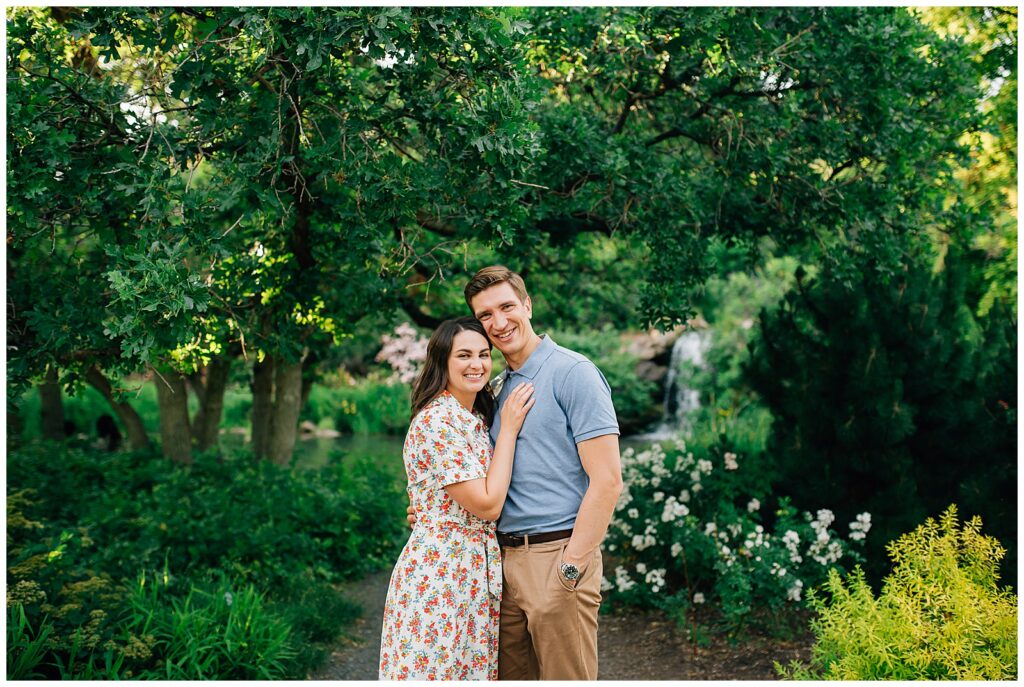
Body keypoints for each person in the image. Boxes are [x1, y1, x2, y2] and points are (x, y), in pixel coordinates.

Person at [411, 266, 623, 679]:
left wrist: (572, 566)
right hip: (499, 564)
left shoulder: (573, 373)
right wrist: (432, 509)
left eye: (507, 307)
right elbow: (470, 469)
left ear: (527, 305)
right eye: (485, 314)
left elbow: (608, 480)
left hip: (556, 556)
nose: (499, 322)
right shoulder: (493, 388)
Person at [379, 316, 536, 681]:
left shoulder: (473, 417)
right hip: (441, 572)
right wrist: (510, 429)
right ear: (442, 361)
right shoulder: (438, 421)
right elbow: (486, 504)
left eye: (484, 354)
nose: (477, 364)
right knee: (434, 671)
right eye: (464, 355)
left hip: (473, 569)